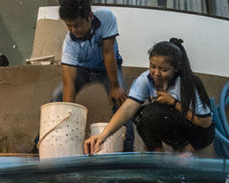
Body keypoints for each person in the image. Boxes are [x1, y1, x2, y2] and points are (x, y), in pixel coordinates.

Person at [37, 0, 134, 152]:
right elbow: (69, 83)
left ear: (90, 16)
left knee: (122, 102)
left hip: (107, 68)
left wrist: (115, 87)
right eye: (69, 26)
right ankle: (42, 144)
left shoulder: (106, 17)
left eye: (78, 24)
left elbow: (108, 52)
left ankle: (128, 150)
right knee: (58, 98)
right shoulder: (69, 44)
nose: (75, 30)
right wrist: (70, 114)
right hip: (83, 70)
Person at [85, 38, 213, 155]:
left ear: (175, 69)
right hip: (175, 125)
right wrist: (103, 136)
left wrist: (173, 102)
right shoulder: (146, 79)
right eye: (152, 66)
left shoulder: (187, 83)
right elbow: (128, 108)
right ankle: (158, 154)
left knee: (152, 112)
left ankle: (185, 149)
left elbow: (205, 123)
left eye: (164, 69)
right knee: (140, 115)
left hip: (200, 133)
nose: (156, 73)